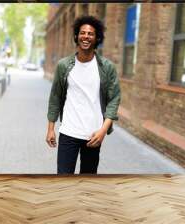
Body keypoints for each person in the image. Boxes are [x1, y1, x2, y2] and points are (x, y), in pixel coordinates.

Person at [46, 15, 121, 174]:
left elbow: (114, 99)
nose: (86, 36)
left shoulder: (106, 67)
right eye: (82, 33)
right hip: (68, 132)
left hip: (93, 135)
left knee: (88, 180)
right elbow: (55, 97)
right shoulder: (64, 65)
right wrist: (51, 128)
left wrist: (103, 131)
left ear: (97, 38)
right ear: (76, 36)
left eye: (90, 34)